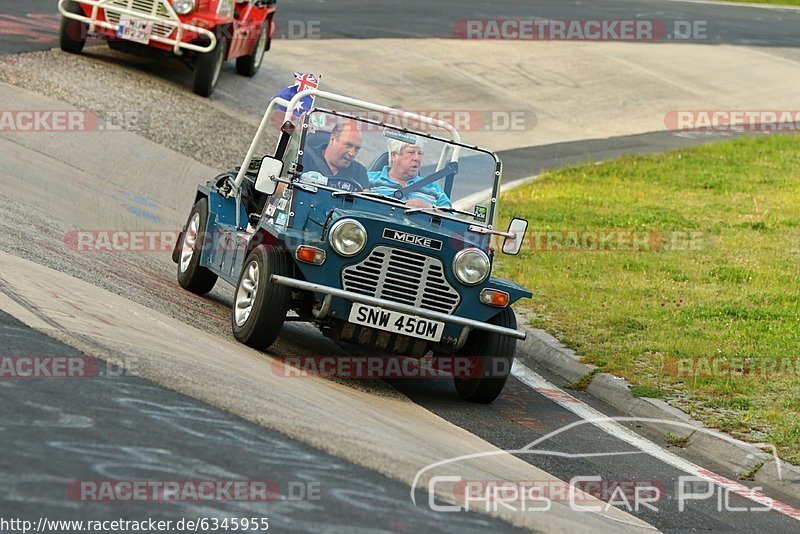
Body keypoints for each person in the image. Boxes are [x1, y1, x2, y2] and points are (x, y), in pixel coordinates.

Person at [367, 138, 452, 209]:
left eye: (420, 153)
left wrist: (430, 208)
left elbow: (452, 221)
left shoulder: (434, 189)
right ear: (394, 156)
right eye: (411, 152)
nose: (417, 158)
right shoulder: (367, 180)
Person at [301, 121, 369, 190]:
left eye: (357, 149)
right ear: (332, 140)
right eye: (348, 145)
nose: (352, 153)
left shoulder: (359, 172)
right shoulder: (304, 159)